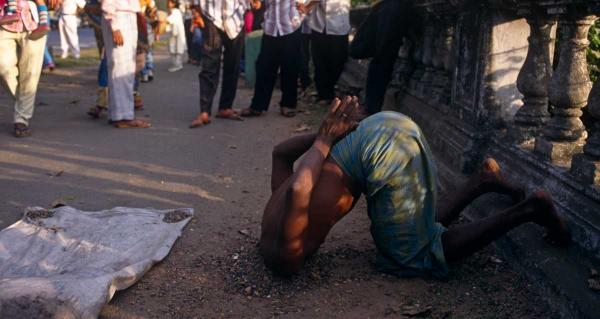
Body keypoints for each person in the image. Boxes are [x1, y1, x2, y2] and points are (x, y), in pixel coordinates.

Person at [259, 96, 571, 277]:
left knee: (411, 254)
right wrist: (328, 136)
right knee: (412, 229)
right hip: (379, 126)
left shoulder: (286, 255)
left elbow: (302, 189)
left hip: (380, 147)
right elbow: (281, 153)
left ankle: (530, 209)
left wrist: (327, 137)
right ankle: (483, 181)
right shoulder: (276, 206)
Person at [240, 0, 312, 118]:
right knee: (263, 67)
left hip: (290, 27)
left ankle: (288, 104)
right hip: (270, 27)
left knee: (290, 67)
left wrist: (306, 8)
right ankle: (257, 106)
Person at [350, 0, 417, 115]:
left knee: (383, 57)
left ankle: (371, 109)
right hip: (380, 5)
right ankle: (370, 108)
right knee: (358, 49)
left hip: (394, 6)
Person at [190, 0, 247, 128]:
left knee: (233, 64)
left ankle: (225, 107)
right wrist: (196, 12)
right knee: (209, 64)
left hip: (236, 17)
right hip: (211, 15)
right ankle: (204, 111)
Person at [0, 0, 49, 137]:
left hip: (33, 22)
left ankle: (21, 119)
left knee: (31, 73)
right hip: (3, 20)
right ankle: (24, 104)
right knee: (3, 68)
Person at [101, 0, 150, 128]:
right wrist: (115, 25)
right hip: (119, 17)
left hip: (124, 15)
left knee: (124, 69)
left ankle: (118, 114)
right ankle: (123, 117)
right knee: (122, 69)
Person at [305, 0, 350, 104]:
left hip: (339, 26)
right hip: (319, 26)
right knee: (319, 62)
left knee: (338, 61)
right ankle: (324, 94)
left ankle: (330, 89)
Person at [166, 0, 186, 72]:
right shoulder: (172, 11)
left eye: (170, 2)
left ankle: (178, 64)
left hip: (178, 33)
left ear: (174, 3)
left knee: (178, 48)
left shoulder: (176, 11)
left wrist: (164, 20)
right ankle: (175, 64)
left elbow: (170, 20)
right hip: (173, 32)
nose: (168, 3)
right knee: (173, 48)